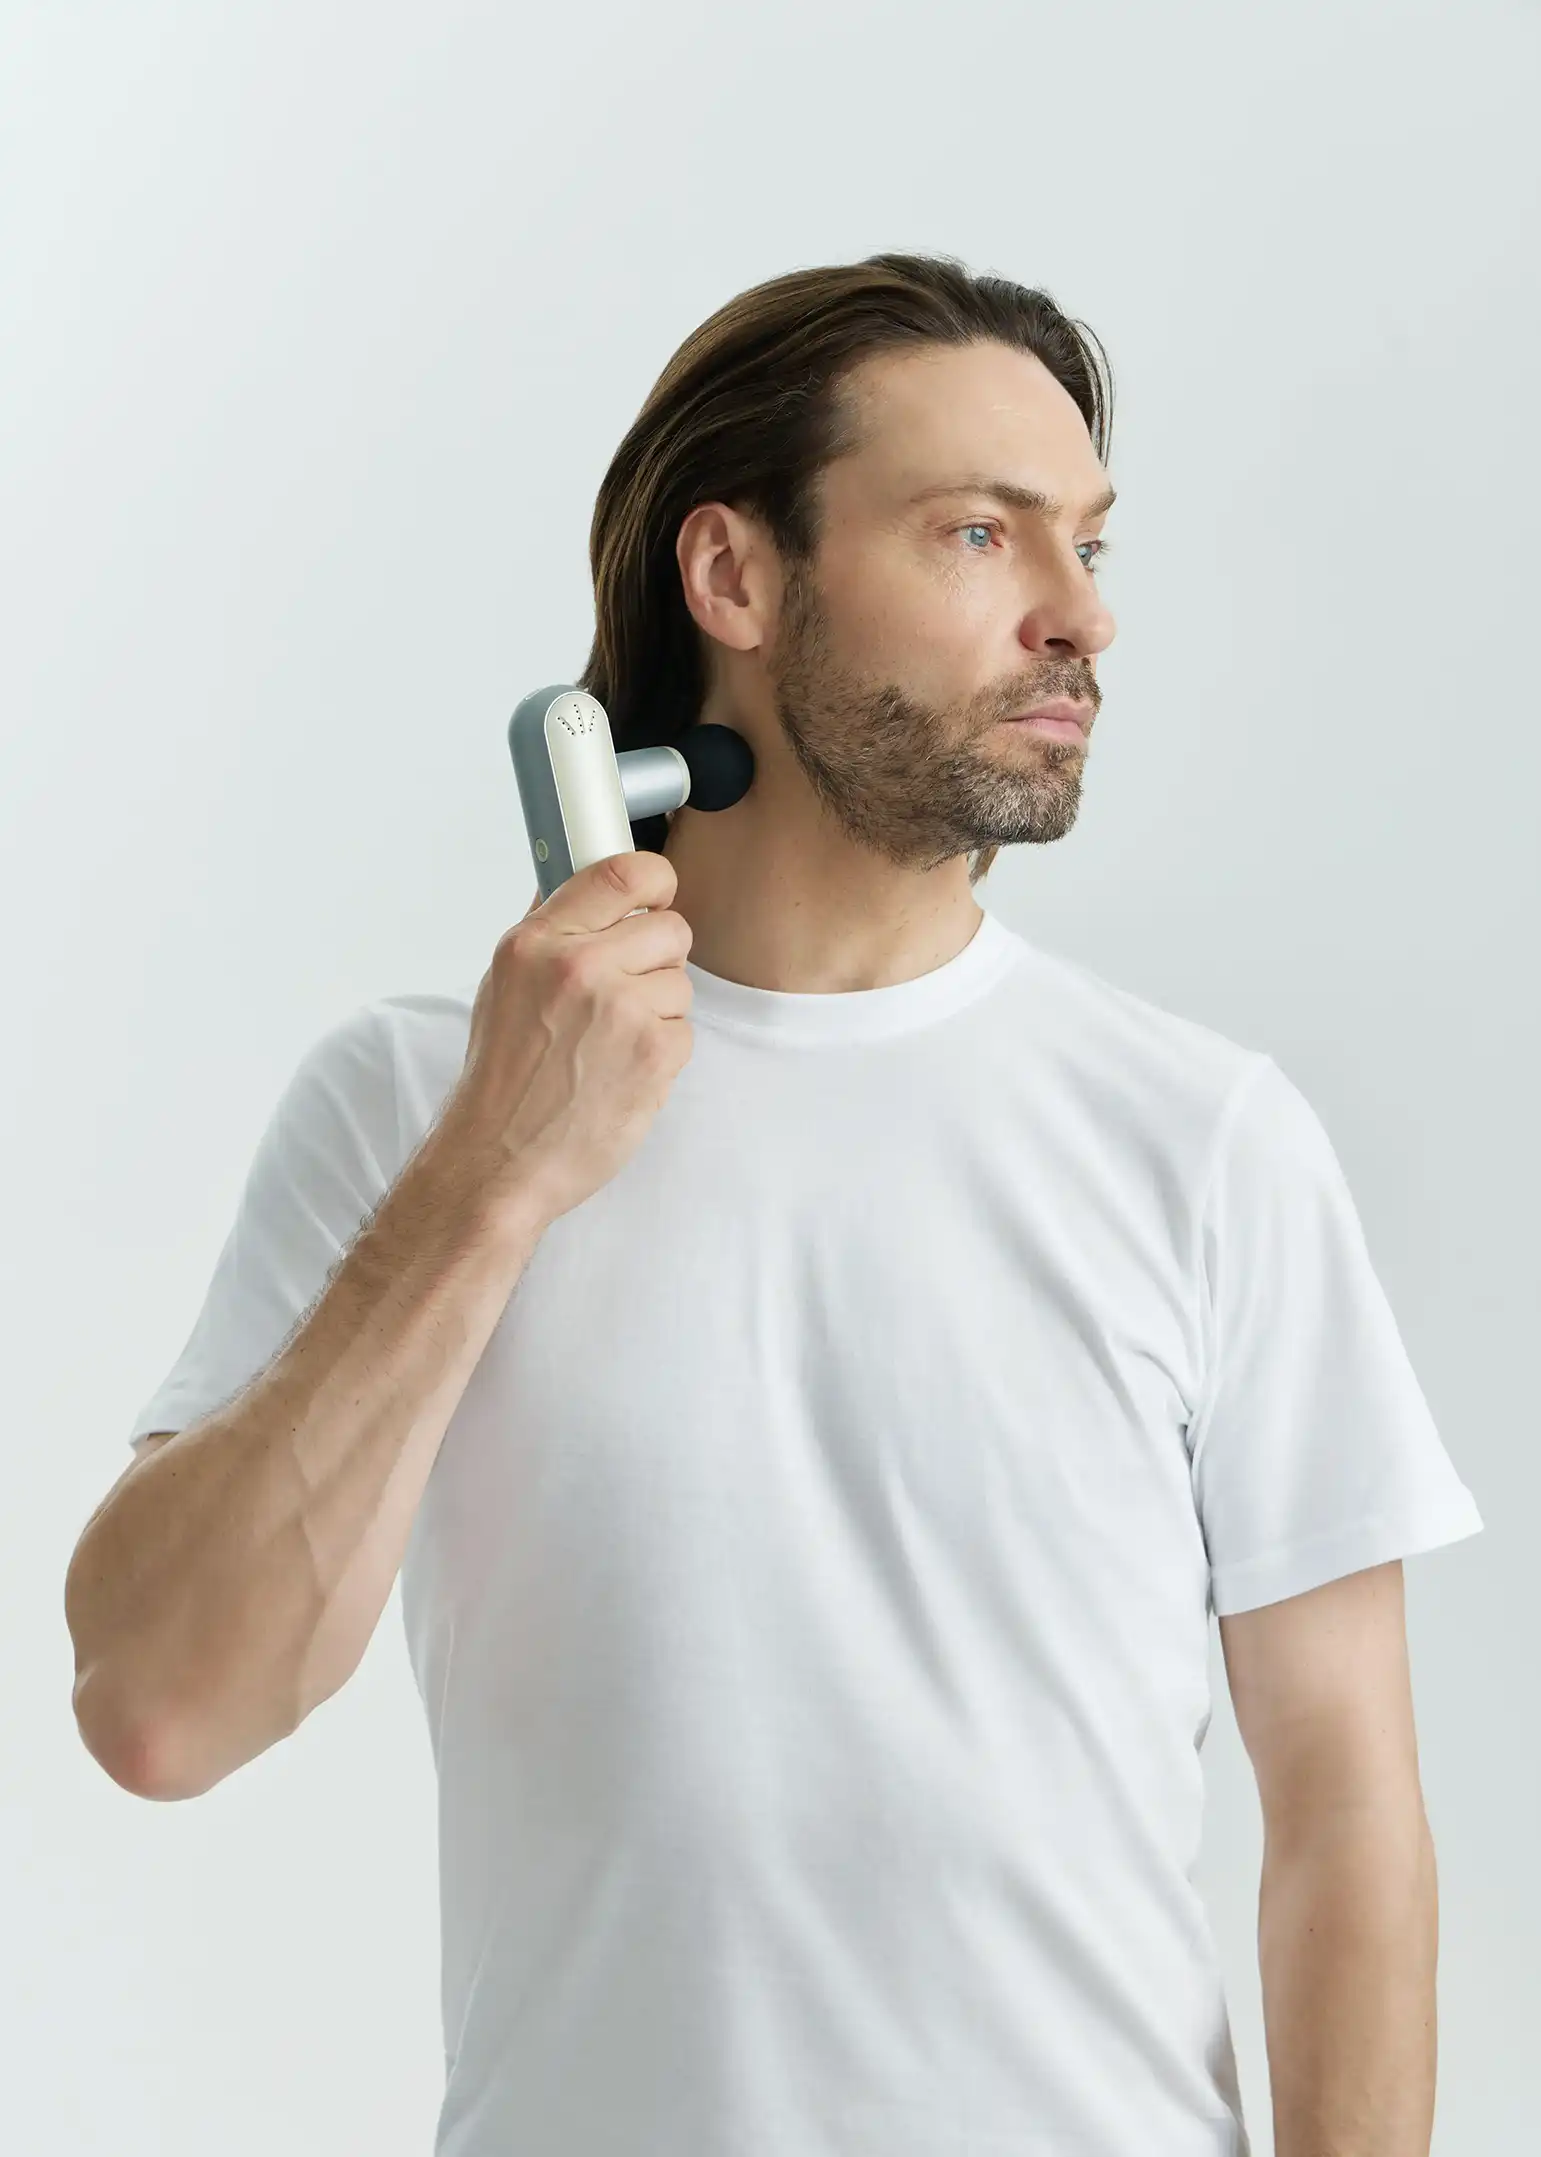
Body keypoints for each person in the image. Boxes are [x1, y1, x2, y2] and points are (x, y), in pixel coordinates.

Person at [68, 251, 1484, 2157]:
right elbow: (162, 1708)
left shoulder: (1205, 1141)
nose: (1082, 613)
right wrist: (498, 1173)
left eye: (1085, 543)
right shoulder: (412, 1111)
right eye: (980, 533)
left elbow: (1348, 1822)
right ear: (733, 578)